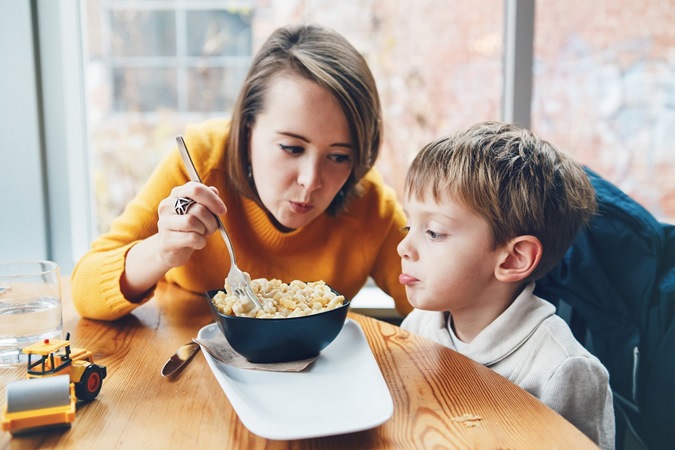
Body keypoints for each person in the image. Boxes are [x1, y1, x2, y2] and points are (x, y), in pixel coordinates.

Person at [71, 23, 412, 321]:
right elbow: (85, 288)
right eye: (292, 148)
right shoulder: (201, 162)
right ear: (247, 128)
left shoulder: (368, 203)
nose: (311, 180)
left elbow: (434, 301)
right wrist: (161, 250)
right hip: (186, 364)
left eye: (338, 157)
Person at [397, 122, 615, 449]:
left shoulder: (562, 371)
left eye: (434, 233)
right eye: (408, 224)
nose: (403, 247)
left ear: (513, 259)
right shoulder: (418, 326)